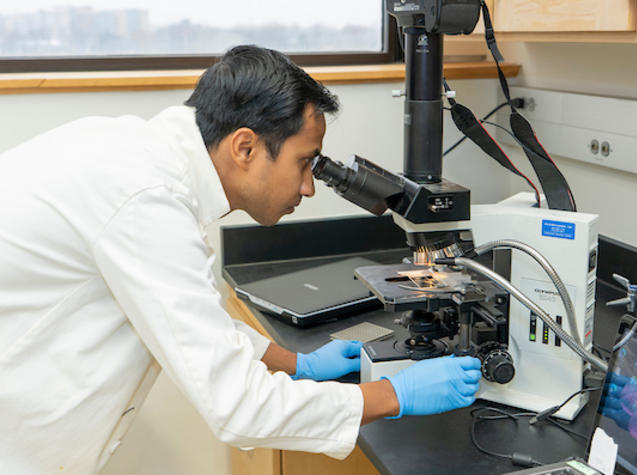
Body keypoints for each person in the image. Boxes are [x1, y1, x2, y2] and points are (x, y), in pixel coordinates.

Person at [0, 45, 482, 474]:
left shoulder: (141, 162)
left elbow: (193, 319)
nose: (309, 187)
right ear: (245, 146)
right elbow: (239, 407)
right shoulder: (145, 200)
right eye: (303, 161)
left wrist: (296, 363)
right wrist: (395, 395)